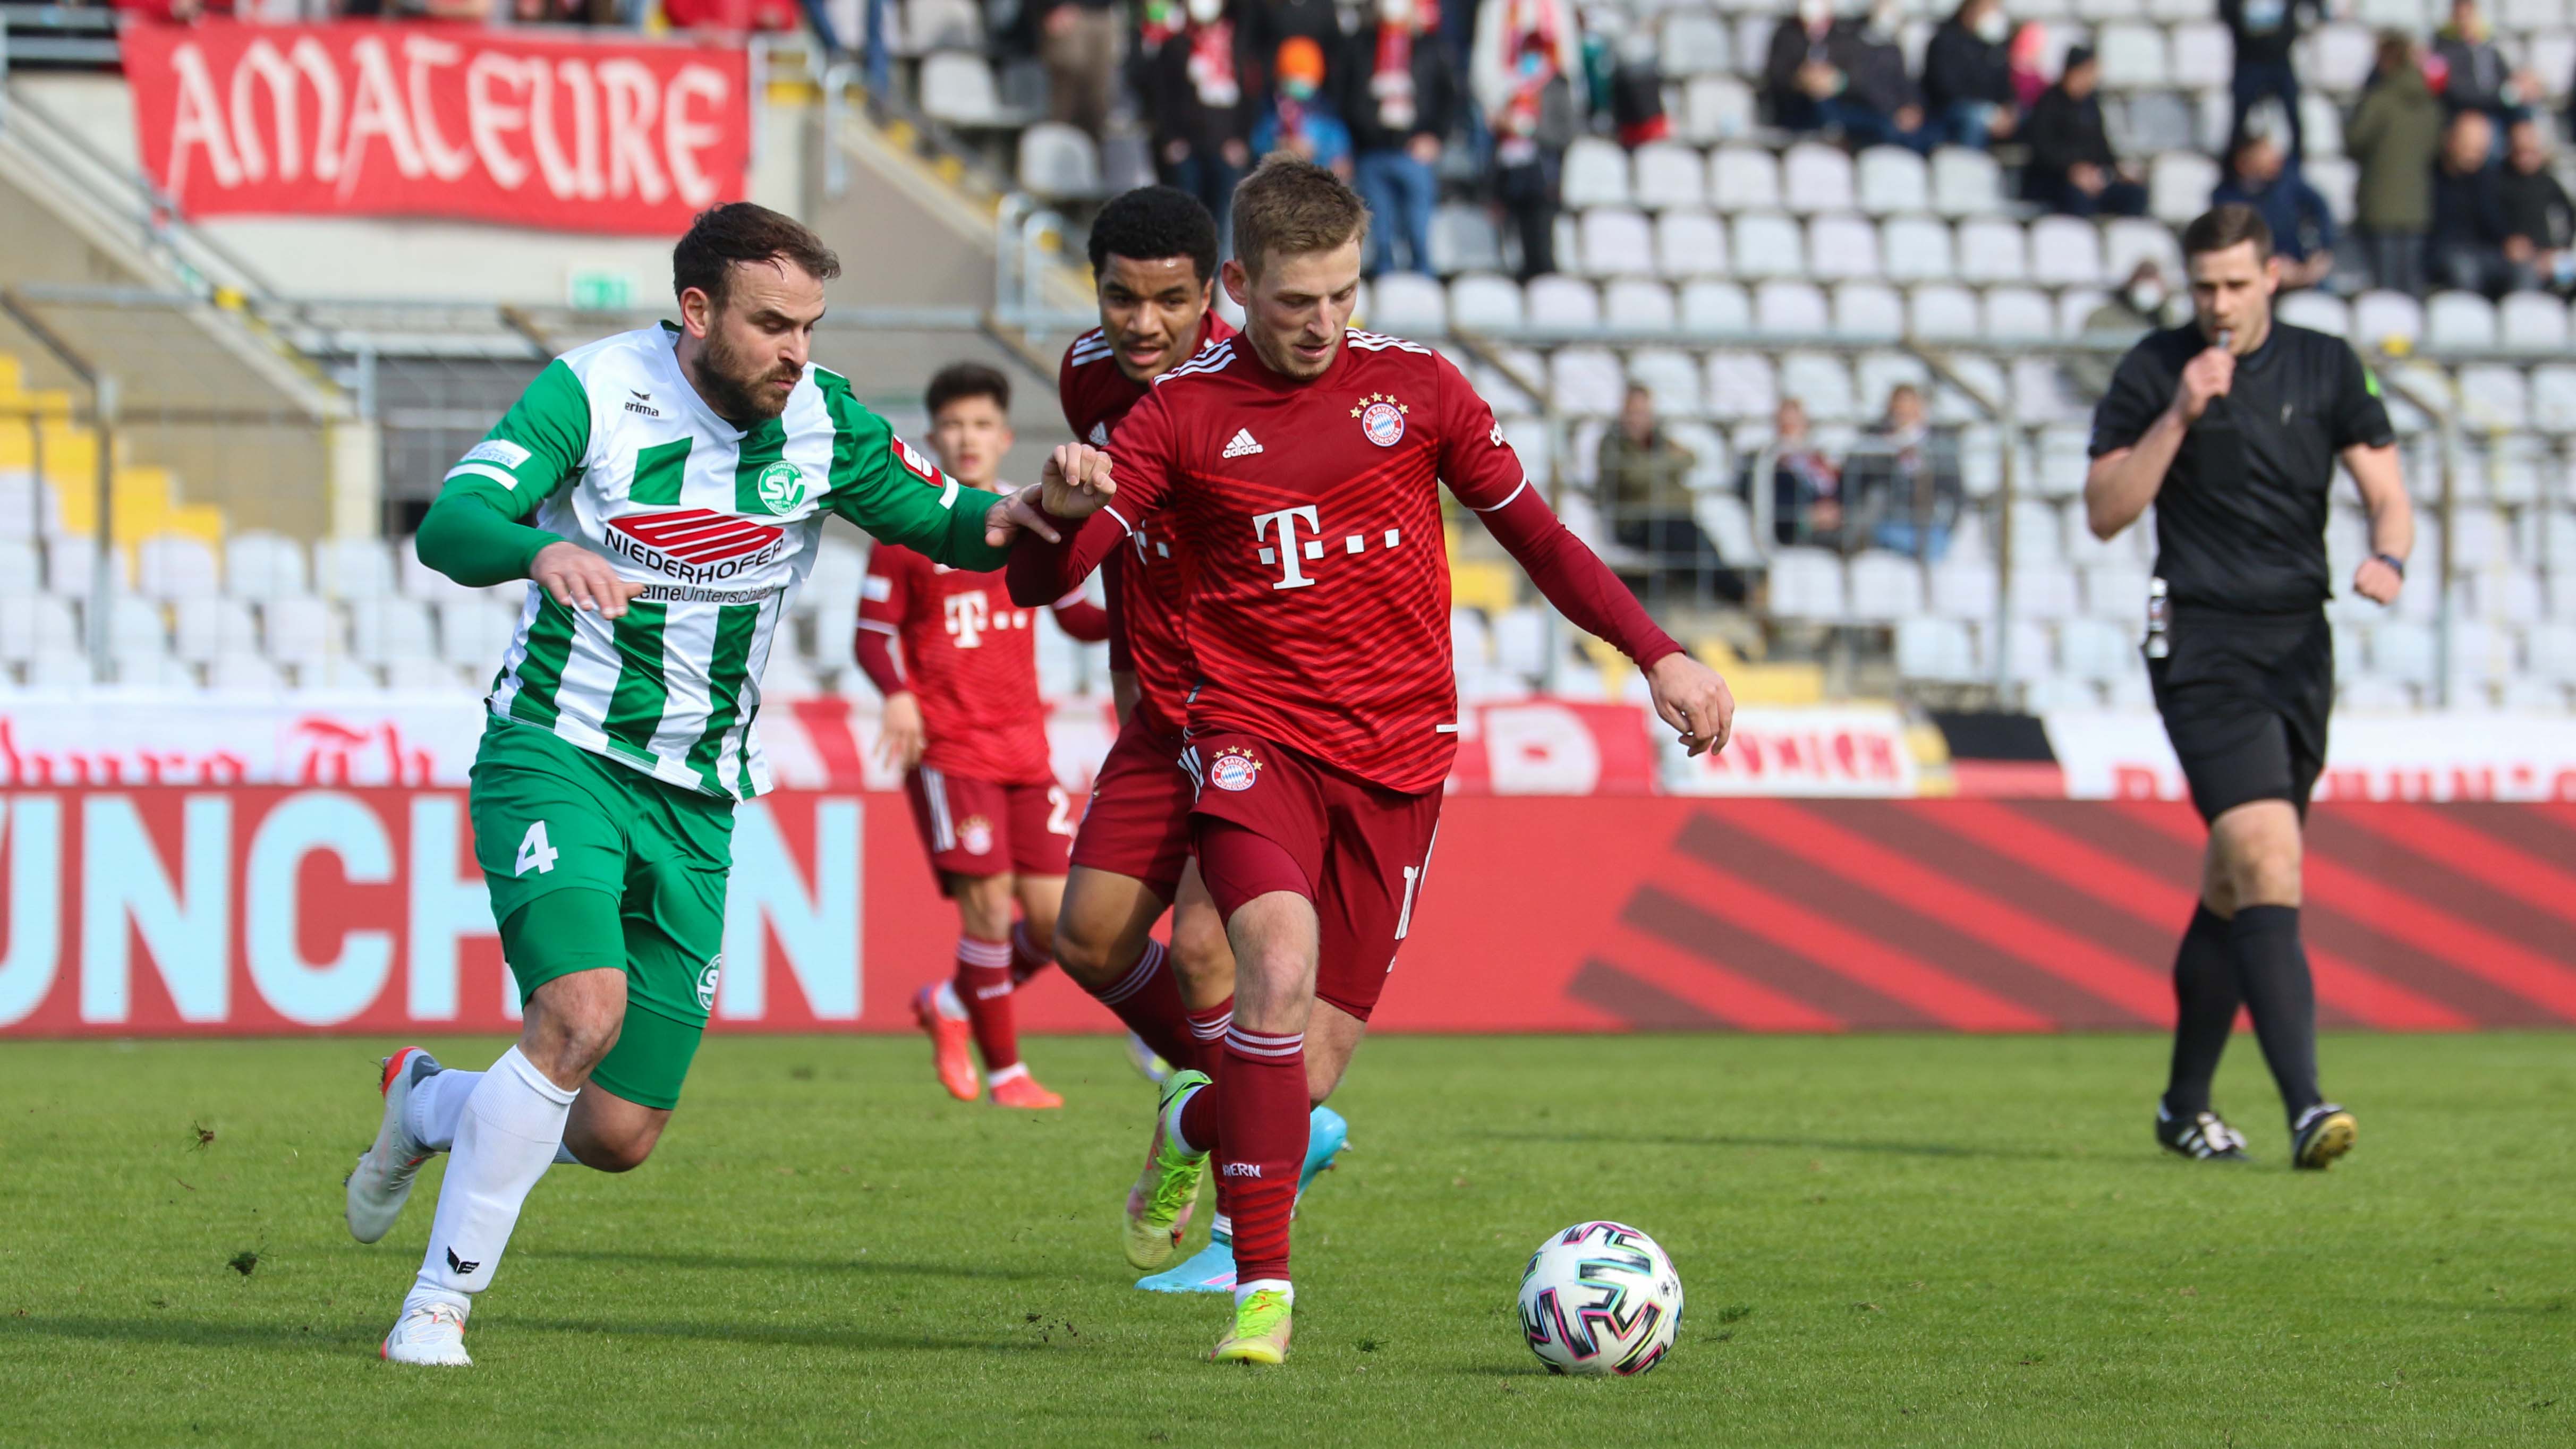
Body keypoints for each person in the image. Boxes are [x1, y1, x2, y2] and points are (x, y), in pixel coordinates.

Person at [1009, 157, 1734, 1363]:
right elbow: (1049, 575)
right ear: (1240, 286)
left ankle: (1202, 1114)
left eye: (1342, 294)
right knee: (1267, 967)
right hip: (1244, 734)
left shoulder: (1418, 389)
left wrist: (1657, 654)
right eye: (1296, 301)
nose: (1322, 324)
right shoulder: (1178, 410)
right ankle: (1264, 1295)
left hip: (1398, 759)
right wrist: (1055, 498)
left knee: (1297, 1078)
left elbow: (1541, 540)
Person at [344, 204, 1051, 1367]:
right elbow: (455, 523)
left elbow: (954, 526)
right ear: (697, 310)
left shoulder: (824, 421)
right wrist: (540, 546)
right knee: (579, 1013)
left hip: (700, 791)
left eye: (810, 327)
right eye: (773, 324)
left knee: (619, 1130)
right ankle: (436, 1305)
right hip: (558, 749)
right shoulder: (592, 393)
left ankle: (427, 1102)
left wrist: (1036, 511)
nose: (796, 350)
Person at [1051, 185, 1351, 1298]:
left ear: (1213, 294)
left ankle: (1235, 1241)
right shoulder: (1088, 374)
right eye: (1124, 298)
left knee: (1205, 950)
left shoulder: (1253, 378)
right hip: (1158, 703)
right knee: (1086, 934)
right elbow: (1120, 540)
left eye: (1170, 301)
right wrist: (1132, 680)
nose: (1144, 324)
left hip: (1261, 708)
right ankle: (1220, 1099)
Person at [2082, 203, 2411, 1172]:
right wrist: (2179, 411)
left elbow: (2384, 488)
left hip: (2298, 642)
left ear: (2270, 275)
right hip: (2198, 639)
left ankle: (2182, 1105)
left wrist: (2386, 553)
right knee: (2266, 854)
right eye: (2202, 287)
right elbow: (2105, 510)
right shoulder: (2153, 368)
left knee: (2235, 879)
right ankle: (2306, 1104)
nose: (2218, 304)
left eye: (2234, 283)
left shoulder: (2325, 362)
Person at [856, 364, 1109, 1112]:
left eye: (980, 426)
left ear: (1003, 437)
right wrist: (899, 696)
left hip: (1024, 751)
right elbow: (872, 636)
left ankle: (953, 1002)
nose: (967, 439)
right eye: (953, 427)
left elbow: (1076, 617)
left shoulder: (1034, 521)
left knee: (1060, 924)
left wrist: (1141, 607)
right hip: (950, 750)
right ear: (932, 439)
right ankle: (1007, 1075)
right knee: (989, 912)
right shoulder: (911, 529)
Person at [1596, 383, 1742, 604]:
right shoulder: (1613, 443)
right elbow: (1631, 476)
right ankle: (1739, 595)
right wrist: (1667, 463)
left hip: (1674, 516)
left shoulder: (1658, 439)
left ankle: (1730, 594)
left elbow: (1691, 458)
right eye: (1634, 412)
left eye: (1644, 412)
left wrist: (1652, 466)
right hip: (1638, 521)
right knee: (1691, 547)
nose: (1638, 419)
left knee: (1702, 546)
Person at [1345, 0, 1456, 277]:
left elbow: (1450, 98)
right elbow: (1347, 97)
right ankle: (1385, 284)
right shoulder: (1361, 46)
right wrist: (1363, 136)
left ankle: (1423, 286)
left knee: (1418, 232)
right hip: (1372, 152)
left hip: (1414, 153)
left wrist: (1435, 137)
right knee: (1379, 236)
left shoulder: (1430, 47)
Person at [1473, 0, 1582, 279]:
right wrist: (1502, 116)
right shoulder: (1497, 9)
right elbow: (1485, 71)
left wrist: (1536, 129)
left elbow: (1567, 118)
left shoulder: (1555, 82)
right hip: (1509, 150)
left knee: (1543, 218)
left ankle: (1543, 269)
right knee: (1511, 213)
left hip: (1544, 155)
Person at [2346, 32, 2444, 297]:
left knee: (2386, 295)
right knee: (2411, 288)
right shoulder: (2430, 104)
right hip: (2418, 208)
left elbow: (2354, 141)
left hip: (2380, 206)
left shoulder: (2379, 100)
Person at [1148, 0, 1257, 231]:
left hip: (1227, 147)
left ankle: (1219, 266)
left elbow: (1250, 97)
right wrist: (1170, 139)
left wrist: (1242, 140)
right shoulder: (1174, 45)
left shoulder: (1237, 46)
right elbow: (1161, 97)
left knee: (1224, 217)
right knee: (1186, 217)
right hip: (1186, 148)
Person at [1763, 0, 1924, 149]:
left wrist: (1838, 81)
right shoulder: (1786, 35)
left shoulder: (1843, 37)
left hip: (1838, 107)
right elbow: (1777, 77)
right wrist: (1801, 80)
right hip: (1797, 107)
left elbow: (1858, 78)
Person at [2024, 47, 2148, 218]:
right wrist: (2072, 170)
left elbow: (2101, 145)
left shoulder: (2091, 104)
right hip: (2055, 181)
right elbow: (2042, 149)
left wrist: (2118, 169)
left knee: (2135, 194)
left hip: (2092, 180)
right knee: (2077, 197)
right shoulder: (2048, 102)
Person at [2211, 133, 2337, 291]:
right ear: (2243, 162)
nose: (2275, 157)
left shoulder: (2288, 184)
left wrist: (2321, 252)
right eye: (2265, 152)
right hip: (2257, 272)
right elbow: (2232, 242)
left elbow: (2321, 209)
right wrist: (2268, 261)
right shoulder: (2226, 197)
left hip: (2298, 266)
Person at [1856, 384, 1961, 561]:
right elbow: (1866, 485)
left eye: (1909, 407)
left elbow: (1955, 491)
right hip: (1889, 522)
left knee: (1932, 552)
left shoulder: (1941, 445)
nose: (1904, 413)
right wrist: (1890, 454)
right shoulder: (1875, 444)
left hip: (1930, 524)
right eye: (1899, 408)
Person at [2430, 109, 2527, 296]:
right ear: (2452, 141)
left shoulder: (2486, 179)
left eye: (2480, 149)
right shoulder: (2433, 178)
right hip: (2445, 251)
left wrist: (2510, 241)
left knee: (2524, 268)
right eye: (2469, 146)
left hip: (2484, 251)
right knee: (2465, 269)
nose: (2474, 154)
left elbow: (2494, 219)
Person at [2218, 0, 2317, 160]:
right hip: (2248, 60)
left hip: (2279, 60)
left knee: (2294, 120)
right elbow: (2226, 11)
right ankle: (2233, 171)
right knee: (2238, 123)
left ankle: (2296, 168)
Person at [2429, 0, 2537, 134]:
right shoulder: (2443, 49)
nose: (2466, 20)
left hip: (2497, 108)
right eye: (2461, 14)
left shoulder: (2487, 45)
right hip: (2467, 114)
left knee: (2526, 116)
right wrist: (2505, 96)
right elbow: (2457, 92)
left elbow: (2505, 75)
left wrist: (2522, 84)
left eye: (2469, 13)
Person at [1922, 0, 2018, 150]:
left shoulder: (1994, 46)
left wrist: (2008, 108)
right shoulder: (1945, 41)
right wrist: (1989, 111)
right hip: (1950, 109)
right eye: (1988, 9)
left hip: (1990, 110)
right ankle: (1970, 168)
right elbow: (1946, 87)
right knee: (1975, 118)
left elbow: (2004, 84)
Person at [1253, 36, 1355, 176]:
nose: (1298, 83)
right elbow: (1257, 142)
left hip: (1317, 181)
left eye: (1304, 78)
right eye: (1290, 78)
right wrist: (1277, 146)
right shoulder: (1272, 108)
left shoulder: (1325, 111)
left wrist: (1316, 150)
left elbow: (1340, 149)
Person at [2498, 118, 2576, 294]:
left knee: (2567, 270)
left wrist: (2558, 251)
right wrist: (2509, 243)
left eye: (2531, 152)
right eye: (2521, 152)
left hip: (2551, 257)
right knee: (2526, 275)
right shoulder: (2499, 184)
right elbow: (2492, 222)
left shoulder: (2550, 185)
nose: (2526, 158)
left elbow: (2568, 221)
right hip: (2516, 259)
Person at [1038, 0, 1125, 142]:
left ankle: (1093, 157)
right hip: (1068, 13)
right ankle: (1056, 156)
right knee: (1067, 96)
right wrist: (1054, 7)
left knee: (1098, 99)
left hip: (1104, 13)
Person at [1767, 397, 1844, 549]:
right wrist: (1807, 516)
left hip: (1834, 521)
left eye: (1796, 424)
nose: (1791, 430)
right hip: (1799, 531)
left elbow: (1833, 487)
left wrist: (1836, 511)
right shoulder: (1769, 464)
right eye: (1786, 425)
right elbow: (1770, 505)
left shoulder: (1819, 460)